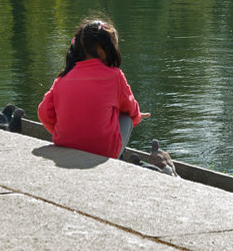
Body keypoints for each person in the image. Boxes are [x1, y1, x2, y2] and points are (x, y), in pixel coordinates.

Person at [38, 18, 149, 159]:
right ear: (106, 50)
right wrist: (138, 116)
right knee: (125, 118)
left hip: (64, 146)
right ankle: (117, 161)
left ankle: (70, 140)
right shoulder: (115, 76)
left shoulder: (63, 78)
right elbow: (131, 110)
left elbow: (43, 112)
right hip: (103, 152)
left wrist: (59, 133)